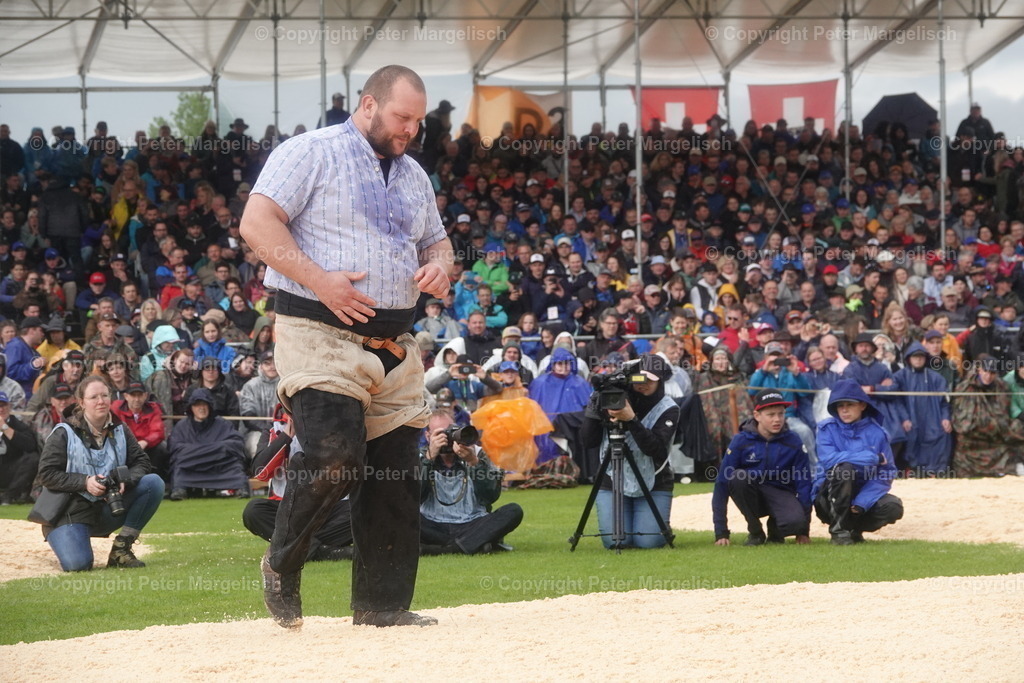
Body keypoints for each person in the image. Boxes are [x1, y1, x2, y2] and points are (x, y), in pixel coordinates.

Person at [240, 65, 451, 629]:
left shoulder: (413, 176)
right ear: (367, 105)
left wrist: (439, 267)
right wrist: (319, 280)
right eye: (402, 117)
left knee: (397, 476)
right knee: (335, 456)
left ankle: (381, 607)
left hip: (393, 341)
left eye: (418, 121)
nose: (410, 130)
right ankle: (282, 563)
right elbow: (257, 223)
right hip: (317, 331)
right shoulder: (311, 151)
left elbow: (439, 242)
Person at [30, 376, 164, 571]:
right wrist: (85, 482)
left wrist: (124, 479)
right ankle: (66, 537)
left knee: (154, 483)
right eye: (94, 397)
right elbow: (46, 474)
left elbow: (142, 462)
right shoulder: (63, 432)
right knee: (78, 565)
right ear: (81, 402)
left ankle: (121, 549)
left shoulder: (120, 428)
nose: (101, 401)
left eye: (104, 395)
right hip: (69, 511)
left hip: (108, 505)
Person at [580, 354, 679, 549]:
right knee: (615, 541)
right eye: (639, 378)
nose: (643, 384)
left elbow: (655, 449)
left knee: (647, 541)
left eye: (650, 379)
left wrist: (631, 419)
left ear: (660, 381)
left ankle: (659, 525)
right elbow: (588, 441)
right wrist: (595, 405)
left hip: (655, 479)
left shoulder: (669, 408)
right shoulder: (615, 397)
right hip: (613, 477)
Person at [244, 406, 354, 561]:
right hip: (288, 508)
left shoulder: (333, 425)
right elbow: (260, 472)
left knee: (361, 510)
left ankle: (298, 548)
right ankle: (321, 551)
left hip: (329, 507)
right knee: (253, 512)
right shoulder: (274, 428)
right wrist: (286, 438)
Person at [712, 389, 812, 546]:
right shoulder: (740, 441)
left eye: (781, 413)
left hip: (781, 493)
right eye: (771, 415)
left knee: (796, 523)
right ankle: (755, 531)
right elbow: (722, 483)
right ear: (757, 415)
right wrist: (721, 532)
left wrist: (803, 531)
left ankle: (776, 528)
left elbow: (804, 483)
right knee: (737, 477)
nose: (777, 419)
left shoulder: (793, 441)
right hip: (752, 494)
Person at [418, 411, 523, 555]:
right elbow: (414, 497)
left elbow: (491, 495)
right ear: (428, 436)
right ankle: (474, 544)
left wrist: (474, 463)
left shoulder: (477, 453)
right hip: (432, 525)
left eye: (451, 432)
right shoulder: (420, 456)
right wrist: (429, 458)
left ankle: (440, 549)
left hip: (472, 523)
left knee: (513, 510)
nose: (447, 438)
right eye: (441, 434)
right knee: (398, 514)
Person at [813, 380, 904, 545]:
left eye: (850, 404)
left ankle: (854, 530)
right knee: (844, 469)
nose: (844, 410)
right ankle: (839, 532)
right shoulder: (826, 429)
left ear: (862, 405)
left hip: (861, 500)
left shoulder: (878, 434)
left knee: (893, 507)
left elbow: (886, 472)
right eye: (840, 405)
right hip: (828, 498)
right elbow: (828, 460)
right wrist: (870, 457)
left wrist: (862, 502)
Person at [167, 388, 248, 500]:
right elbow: (176, 449)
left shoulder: (222, 424)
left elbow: (236, 444)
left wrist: (196, 452)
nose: (201, 408)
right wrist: (216, 449)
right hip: (192, 468)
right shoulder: (182, 426)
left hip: (219, 467)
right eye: (197, 405)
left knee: (235, 465)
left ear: (210, 406)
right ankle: (180, 490)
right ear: (191, 407)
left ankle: (239, 488)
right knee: (179, 466)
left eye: (204, 404)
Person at [893, 343, 952, 475]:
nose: (918, 359)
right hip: (910, 417)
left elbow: (944, 402)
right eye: (915, 357)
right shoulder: (900, 376)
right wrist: (904, 418)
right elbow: (897, 401)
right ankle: (911, 469)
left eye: (921, 356)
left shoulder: (936, 378)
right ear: (909, 359)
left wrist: (945, 418)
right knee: (910, 435)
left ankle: (936, 471)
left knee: (942, 434)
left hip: (933, 418)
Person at [111, 381, 168, 483]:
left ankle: (157, 479)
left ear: (145, 396)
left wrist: (145, 441)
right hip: (124, 445)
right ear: (126, 396)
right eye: (133, 395)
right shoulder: (116, 408)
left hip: (146, 446)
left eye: (140, 395)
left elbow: (158, 431)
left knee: (162, 447)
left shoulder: (153, 408)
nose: (137, 399)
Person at [0, 391, 42, 505]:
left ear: (9, 407)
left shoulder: (16, 423)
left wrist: (5, 428)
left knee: (33, 459)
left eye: (3, 405)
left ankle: (8, 497)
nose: (1, 409)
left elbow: (30, 445)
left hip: (10, 470)